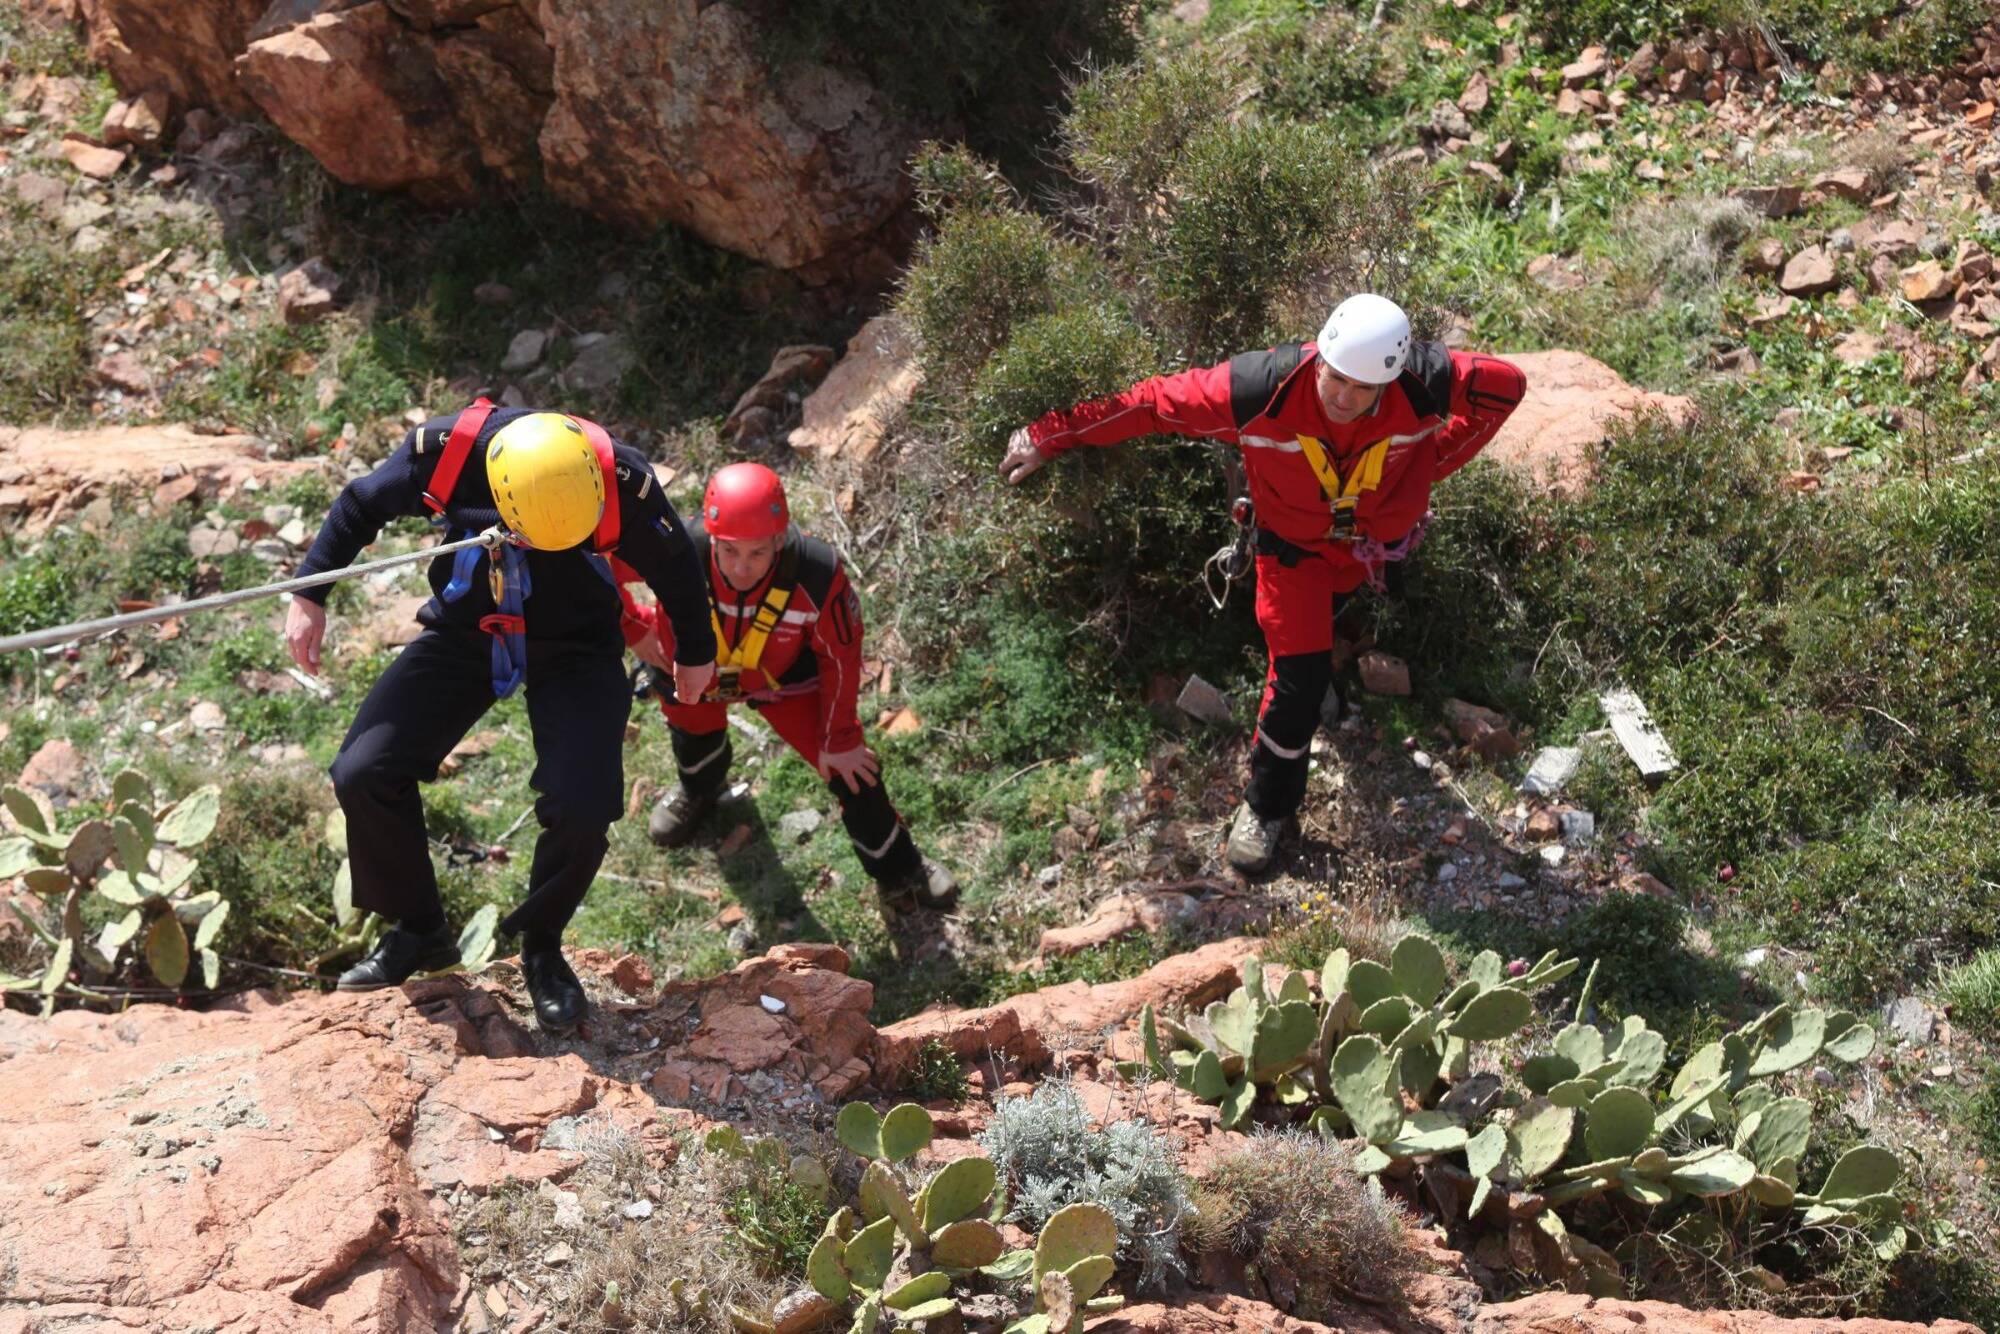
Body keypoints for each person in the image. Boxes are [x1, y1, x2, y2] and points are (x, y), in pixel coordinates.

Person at [999, 294, 1526, 876]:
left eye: (1361, 389)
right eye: (1333, 377)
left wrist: (1429, 465)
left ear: (1389, 381)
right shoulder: (1257, 391)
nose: (1341, 397)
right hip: (1294, 555)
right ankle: (1268, 809)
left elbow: (1508, 387)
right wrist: (1048, 435)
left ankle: (1326, 672)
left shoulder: (1424, 384)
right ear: (1319, 355)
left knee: (1332, 626)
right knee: (1295, 683)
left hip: (1363, 549)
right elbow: (1150, 404)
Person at [284, 402, 717, 1032]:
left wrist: (697, 654)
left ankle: (541, 946)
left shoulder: (624, 482)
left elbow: (677, 569)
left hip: (576, 644)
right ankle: (420, 928)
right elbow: (359, 504)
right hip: (470, 629)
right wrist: (308, 594)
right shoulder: (448, 454)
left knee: (584, 804)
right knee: (364, 771)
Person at [617, 462, 959, 923]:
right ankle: (700, 790)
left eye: (757, 553)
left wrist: (840, 737)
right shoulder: (674, 548)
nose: (741, 568)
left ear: (780, 540)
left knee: (854, 774)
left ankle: (902, 871)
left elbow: (842, 657)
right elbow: (590, 565)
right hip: (694, 676)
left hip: (785, 684)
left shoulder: (815, 575)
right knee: (693, 738)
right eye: (730, 551)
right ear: (712, 539)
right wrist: (634, 626)